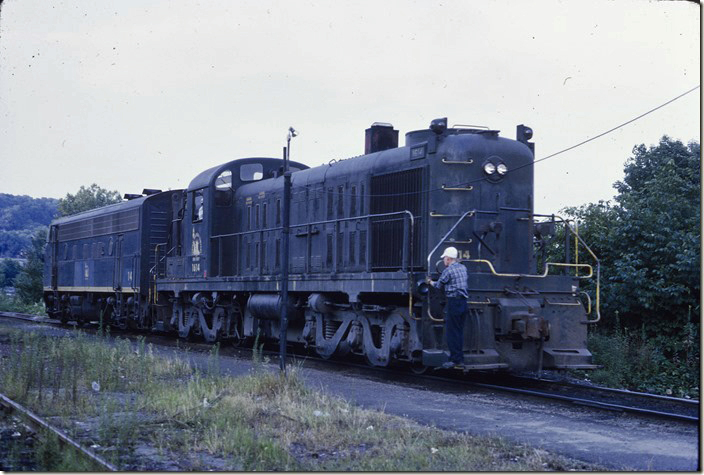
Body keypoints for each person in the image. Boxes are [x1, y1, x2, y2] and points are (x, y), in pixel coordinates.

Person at [427, 246, 468, 368]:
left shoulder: (448, 271)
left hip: (454, 303)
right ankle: (460, 358)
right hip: (463, 302)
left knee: (452, 332)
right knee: (459, 331)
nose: (444, 260)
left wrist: (429, 282)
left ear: (449, 259)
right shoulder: (463, 268)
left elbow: (439, 285)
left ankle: (455, 360)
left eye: (444, 258)